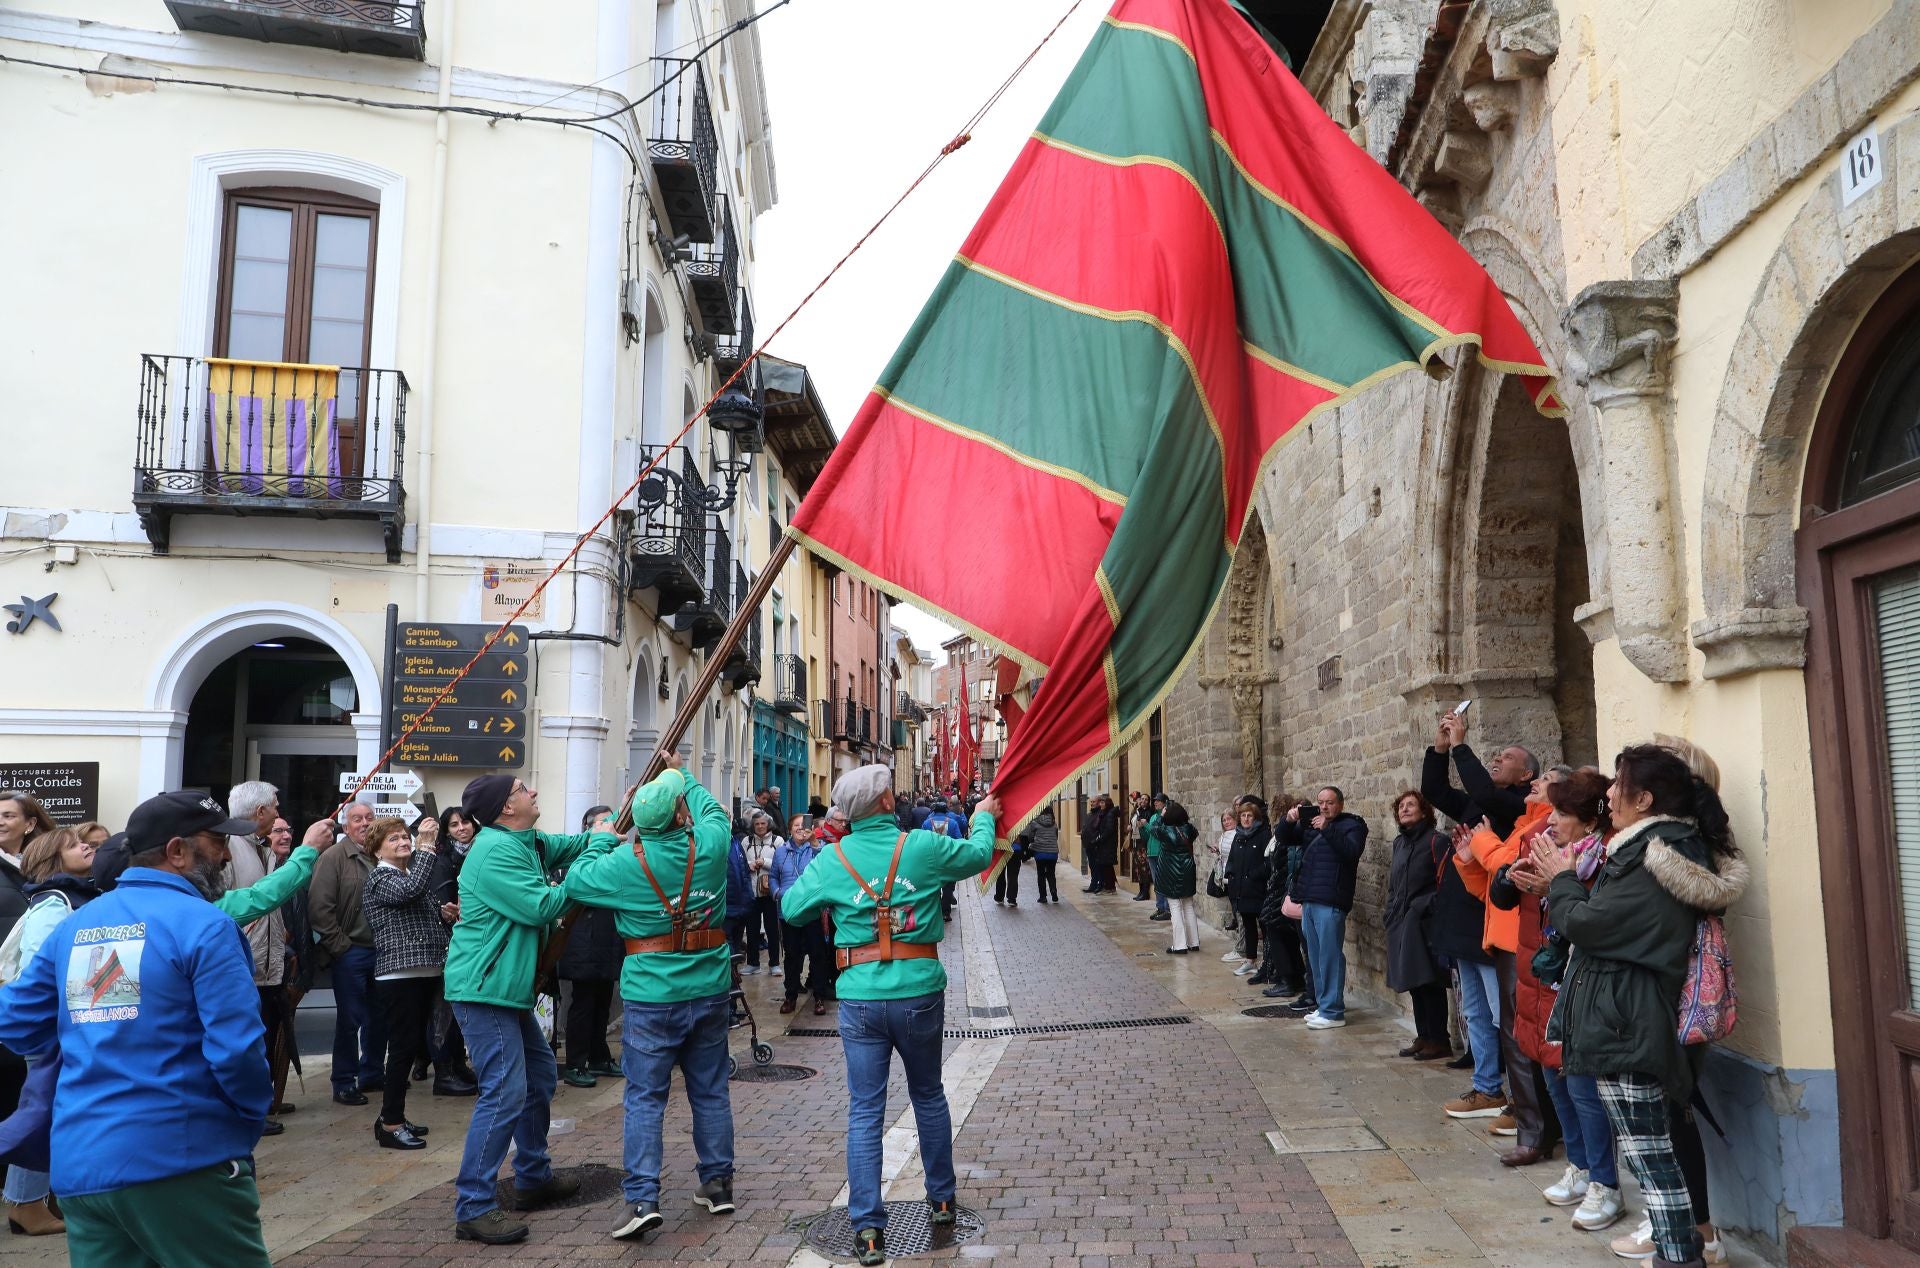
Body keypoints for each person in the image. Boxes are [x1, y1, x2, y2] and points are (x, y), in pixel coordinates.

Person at [0, 791, 293, 1268]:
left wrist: (89, 1033)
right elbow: (237, 1050)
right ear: (176, 851)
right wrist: (245, 1121)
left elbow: (14, 1021)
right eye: (216, 841)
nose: (224, 854)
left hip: (84, 1164)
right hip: (181, 1158)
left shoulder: (77, 924)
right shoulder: (205, 925)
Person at [1520, 744, 1748, 1268]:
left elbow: (1594, 926)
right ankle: (1681, 1252)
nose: (1609, 796)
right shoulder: (1648, 848)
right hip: (1624, 1014)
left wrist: (1562, 880)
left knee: (1654, 1160)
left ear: (1644, 798)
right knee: (1652, 1158)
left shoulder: (1657, 852)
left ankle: (1679, 1256)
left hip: (1630, 1018)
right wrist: (1563, 886)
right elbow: (1603, 919)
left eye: (1619, 784)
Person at [780, 765, 998, 1267]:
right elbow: (979, 856)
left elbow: (791, 910)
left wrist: (825, 862)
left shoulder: (833, 858)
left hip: (859, 998)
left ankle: (868, 1231)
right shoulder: (920, 847)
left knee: (864, 1111)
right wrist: (983, 816)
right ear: (883, 803)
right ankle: (941, 1199)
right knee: (927, 1094)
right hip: (919, 991)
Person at [561, 753, 737, 1240]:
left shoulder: (622, 864)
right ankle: (717, 1182)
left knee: (644, 1098)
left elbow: (576, 881)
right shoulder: (712, 845)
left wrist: (600, 840)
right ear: (682, 813)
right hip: (708, 985)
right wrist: (682, 775)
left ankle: (642, 1198)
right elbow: (714, 812)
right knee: (710, 1089)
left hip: (651, 993)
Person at [443, 775, 616, 1245]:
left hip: (506, 988)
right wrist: (597, 852)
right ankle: (474, 1206)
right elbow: (545, 905)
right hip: (485, 990)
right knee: (503, 1092)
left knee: (539, 1076)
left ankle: (532, 1177)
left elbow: (577, 843)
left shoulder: (528, 841)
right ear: (505, 809)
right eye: (523, 789)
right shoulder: (496, 851)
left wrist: (614, 823)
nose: (534, 792)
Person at [1499, 768, 1624, 1230]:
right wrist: (1510, 880)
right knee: (1554, 1079)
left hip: (1574, 987)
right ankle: (1579, 1165)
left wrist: (1555, 885)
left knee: (1581, 1087)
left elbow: (1589, 921)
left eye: (1562, 813)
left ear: (1590, 820)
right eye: (1550, 810)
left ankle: (1604, 1182)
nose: (1550, 820)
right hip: (1540, 983)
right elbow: (1505, 895)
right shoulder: (1547, 847)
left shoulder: (1601, 861)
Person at [1453, 767, 1565, 1166]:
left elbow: (1509, 865)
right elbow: (1494, 887)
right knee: (1518, 1038)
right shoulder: (1524, 823)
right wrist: (1469, 861)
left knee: (1527, 1041)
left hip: (1528, 943)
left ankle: (1536, 1130)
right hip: (1507, 942)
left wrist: (1483, 840)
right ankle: (1535, 1126)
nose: (1534, 784)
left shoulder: (1544, 828)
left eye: (1545, 777)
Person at [3, 825, 99, 1236]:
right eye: (76, 845)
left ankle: (31, 1201)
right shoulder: (54, 907)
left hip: (58, 1027)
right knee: (42, 1110)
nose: (86, 847)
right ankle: (25, 1203)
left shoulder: (63, 901)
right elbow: (39, 973)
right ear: (53, 860)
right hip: (52, 1029)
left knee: (46, 1109)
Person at [362, 814, 452, 1150]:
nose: (403, 842)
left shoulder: (407, 874)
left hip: (423, 970)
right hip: (399, 974)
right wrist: (427, 847)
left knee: (411, 1046)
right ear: (377, 851)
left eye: (405, 837)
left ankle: (394, 1113)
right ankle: (390, 1122)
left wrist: (443, 912)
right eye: (394, 839)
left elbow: (417, 901)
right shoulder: (379, 879)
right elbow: (408, 893)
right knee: (401, 1050)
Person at [220, 781, 297, 1135]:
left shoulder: (262, 849)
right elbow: (233, 907)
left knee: (264, 1041)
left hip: (268, 967)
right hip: (244, 969)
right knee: (246, 1044)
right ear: (260, 812)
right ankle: (246, 1111)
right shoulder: (229, 849)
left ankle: (261, 1104)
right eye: (276, 807)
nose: (280, 813)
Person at [310, 800, 385, 1107]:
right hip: (351, 952)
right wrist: (341, 946)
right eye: (357, 819)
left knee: (379, 1018)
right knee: (350, 1019)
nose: (364, 823)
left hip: (383, 952)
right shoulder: (333, 857)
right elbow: (319, 907)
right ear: (345, 826)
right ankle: (343, 1080)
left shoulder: (383, 854)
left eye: (369, 817)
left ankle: (372, 1073)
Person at [1286, 787, 1367, 1030]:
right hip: (1309, 898)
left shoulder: (1353, 825)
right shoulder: (1311, 825)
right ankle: (1323, 1005)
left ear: (1340, 804)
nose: (1323, 807)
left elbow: (1351, 852)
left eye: (1329, 802)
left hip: (1331, 899)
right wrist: (1288, 821)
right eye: (1320, 802)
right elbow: (1284, 838)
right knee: (1315, 956)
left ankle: (1333, 1011)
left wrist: (1327, 829)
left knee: (1330, 956)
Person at [559, 805, 625, 1089]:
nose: (610, 826)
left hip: (608, 939)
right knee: (583, 1004)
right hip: (582, 942)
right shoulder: (579, 857)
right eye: (604, 822)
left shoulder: (617, 856)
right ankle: (576, 1062)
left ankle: (599, 1055)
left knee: (602, 1002)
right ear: (588, 827)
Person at [1383, 791, 1452, 1060]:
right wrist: (1391, 913)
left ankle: (1439, 1039)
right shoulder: (1400, 843)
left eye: (1410, 805)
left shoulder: (1437, 841)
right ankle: (1423, 1036)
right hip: (1400, 922)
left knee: (1429, 981)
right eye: (1401, 806)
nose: (1404, 809)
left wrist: (1421, 907)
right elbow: (1393, 884)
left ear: (1424, 811)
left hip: (1425, 923)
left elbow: (1446, 883)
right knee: (1413, 981)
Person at [423, 806, 480, 1096]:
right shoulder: (442, 860)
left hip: (471, 943)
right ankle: (443, 1072)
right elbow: (438, 901)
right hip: (446, 943)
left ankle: (458, 1066)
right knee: (442, 1011)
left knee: (459, 1013)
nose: (462, 828)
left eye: (466, 822)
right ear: (446, 831)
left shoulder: (483, 852)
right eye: (455, 824)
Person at [1423, 711, 1537, 839]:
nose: (1497, 759)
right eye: (1499, 755)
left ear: (1526, 775)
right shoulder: (1475, 803)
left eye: (1508, 758)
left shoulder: (1526, 804)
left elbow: (1485, 794)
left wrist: (1459, 747)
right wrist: (1440, 749)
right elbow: (1434, 791)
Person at [771, 814, 829, 1015]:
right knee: (792, 956)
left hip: (811, 910)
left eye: (802, 825)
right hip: (787, 912)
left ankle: (819, 996)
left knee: (817, 954)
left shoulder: (815, 848)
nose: (799, 829)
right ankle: (791, 995)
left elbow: (824, 865)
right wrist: (777, 892)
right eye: (795, 825)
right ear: (789, 829)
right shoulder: (781, 852)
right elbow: (773, 877)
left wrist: (813, 842)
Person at [1223, 798, 1271, 972]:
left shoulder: (1263, 834)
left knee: (1264, 926)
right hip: (1241, 889)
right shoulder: (1238, 835)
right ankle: (1250, 960)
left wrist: (1253, 875)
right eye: (1243, 815)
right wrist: (1230, 874)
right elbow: (1233, 859)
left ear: (1255, 817)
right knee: (1249, 925)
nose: (1246, 819)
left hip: (1257, 888)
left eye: (1249, 815)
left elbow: (1268, 862)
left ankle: (1268, 961)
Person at [1153, 801, 1200, 952]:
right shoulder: (1189, 829)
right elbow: (1192, 831)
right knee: (1188, 905)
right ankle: (1194, 942)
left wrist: (1161, 816)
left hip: (1170, 870)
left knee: (1174, 906)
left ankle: (1179, 945)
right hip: (1187, 869)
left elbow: (1154, 828)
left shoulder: (1165, 831)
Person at [740, 812, 783, 975]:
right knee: (752, 929)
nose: (759, 826)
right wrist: (749, 864)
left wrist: (764, 863)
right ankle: (753, 963)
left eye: (763, 824)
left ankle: (774, 964)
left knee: (772, 930)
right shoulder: (746, 841)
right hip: (751, 892)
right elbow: (741, 862)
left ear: (768, 824)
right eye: (756, 824)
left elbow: (782, 864)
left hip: (770, 892)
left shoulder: (777, 841)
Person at [1080, 794, 1119, 894]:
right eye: (1091, 802)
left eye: (1095, 802)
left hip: (1099, 845)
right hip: (1091, 844)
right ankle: (1096, 886)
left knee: (1103, 867)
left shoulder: (1104, 814)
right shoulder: (1095, 814)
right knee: (1095, 867)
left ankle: (1104, 886)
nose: (1092, 804)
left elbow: (1106, 830)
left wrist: (1097, 840)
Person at [1025, 806, 1060, 904]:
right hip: (1053, 853)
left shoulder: (1035, 823)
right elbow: (1056, 837)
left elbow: (1030, 837)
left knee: (1041, 874)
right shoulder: (1054, 824)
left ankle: (1043, 896)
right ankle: (1053, 892)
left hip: (1040, 852)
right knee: (1051, 873)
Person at [1128, 792, 1154, 902]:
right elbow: (1132, 822)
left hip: (1144, 842)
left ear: (1148, 802)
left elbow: (1144, 824)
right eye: (1142, 799)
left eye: (1145, 799)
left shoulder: (1150, 812)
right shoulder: (1136, 811)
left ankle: (1145, 892)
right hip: (1136, 841)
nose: (1143, 801)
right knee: (1138, 868)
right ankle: (1140, 891)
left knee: (1145, 868)